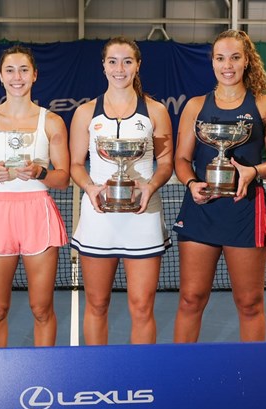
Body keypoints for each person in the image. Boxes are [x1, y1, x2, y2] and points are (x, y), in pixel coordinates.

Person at [172, 29, 266, 343]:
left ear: (247, 60)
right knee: (190, 299)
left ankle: (252, 378)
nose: (228, 65)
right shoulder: (196, 106)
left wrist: (254, 170)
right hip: (200, 211)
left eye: (235, 57)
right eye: (220, 58)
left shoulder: (265, 105)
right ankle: (181, 373)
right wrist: (192, 182)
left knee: (249, 302)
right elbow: (181, 159)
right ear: (212, 62)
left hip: (245, 211)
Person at [70, 37, 174, 345]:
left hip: (143, 217)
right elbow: (76, 164)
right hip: (98, 218)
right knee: (97, 304)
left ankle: (140, 374)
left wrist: (150, 186)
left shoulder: (155, 111)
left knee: (142, 307)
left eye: (127, 61)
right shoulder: (85, 113)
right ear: (103, 65)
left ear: (138, 65)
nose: (120, 68)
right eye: (113, 61)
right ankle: (96, 372)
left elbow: (166, 163)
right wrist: (89, 188)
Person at [0, 45, 70, 348]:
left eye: (24, 70)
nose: (17, 77)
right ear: (0, 76)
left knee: (41, 308)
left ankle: (44, 375)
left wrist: (39, 172)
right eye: (10, 70)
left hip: (38, 214)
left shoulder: (51, 122)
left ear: (34, 75)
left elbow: (63, 178)